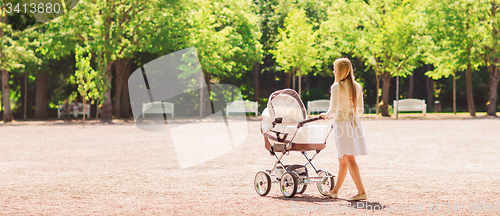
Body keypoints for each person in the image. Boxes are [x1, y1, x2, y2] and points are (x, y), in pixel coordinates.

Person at [319, 58, 368, 201]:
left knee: (349, 157)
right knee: (343, 159)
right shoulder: (357, 86)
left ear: (339, 70)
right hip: (354, 124)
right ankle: (335, 191)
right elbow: (361, 110)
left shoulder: (337, 86)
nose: (333, 70)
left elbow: (333, 109)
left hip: (342, 125)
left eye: (334, 68)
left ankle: (361, 192)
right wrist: (350, 115)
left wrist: (325, 115)